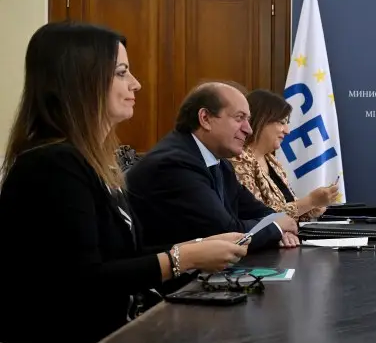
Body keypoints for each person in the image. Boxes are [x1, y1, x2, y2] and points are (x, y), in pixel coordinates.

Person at [0, 22, 248, 343]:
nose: (136, 84)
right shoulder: (52, 164)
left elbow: (122, 256)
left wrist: (196, 246)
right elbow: (84, 279)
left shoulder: (94, 161)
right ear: (80, 79)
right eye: (121, 72)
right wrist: (185, 258)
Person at [127, 82, 301, 251]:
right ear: (205, 118)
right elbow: (224, 233)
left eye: (248, 120)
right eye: (239, 118)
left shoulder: (220, 162)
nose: (248, 130)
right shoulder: (175, 164)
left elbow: (256, 211)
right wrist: (277, 228)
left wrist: (278, 223)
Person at [229, 89, 338, 221]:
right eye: (282, 122)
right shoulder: (237, 160)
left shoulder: (272, 161)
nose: (287, 131)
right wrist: (310, 201)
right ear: (261, 120)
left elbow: (287, 207)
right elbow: (257, 216)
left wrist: (312, 207)